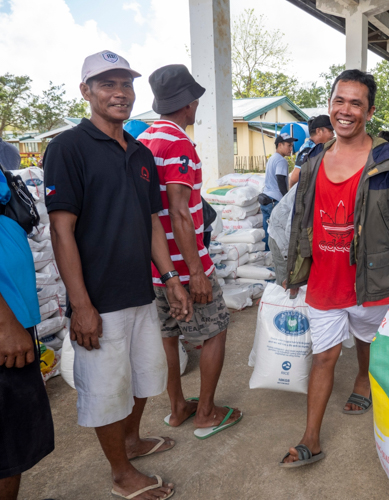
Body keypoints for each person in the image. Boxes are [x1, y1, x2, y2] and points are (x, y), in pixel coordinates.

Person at [280, 69, 389, 468]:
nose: (345, 110)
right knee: (323, 356)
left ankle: (362, 380)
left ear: (369, 111)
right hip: (324, 278)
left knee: (369, 341)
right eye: (340, 100)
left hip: (372, 278)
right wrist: (292, 268)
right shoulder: (314, 161)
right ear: (329, 105)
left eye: (356, 103)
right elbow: (299, 219)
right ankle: (310, 439)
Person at [44, 50, 193, 500]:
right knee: (107, 391)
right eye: (107, 84)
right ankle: (120, 473)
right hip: (99, 298)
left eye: (126, 84)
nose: (120, 93)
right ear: (86, 91)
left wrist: (171, 279)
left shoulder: (141, 153)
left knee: (144, 378)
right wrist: (82, 304)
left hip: (142, 292)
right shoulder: (68, 148)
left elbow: (152, 224)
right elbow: (60, 228)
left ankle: (132, 441)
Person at [139, 64, 241, 439]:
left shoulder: (144, 140)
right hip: (183, 266)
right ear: (187, 104)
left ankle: (178, 406)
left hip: (155, 269)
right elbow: (180, 213)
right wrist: (196, 273)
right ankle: (207, 413)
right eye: (195, 99)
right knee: (215, 331)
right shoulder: (178, 144)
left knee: (168, 335)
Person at [0, 140, 54, 500]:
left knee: (14, 438)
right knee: (8, 443)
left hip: (17, 317)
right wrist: (5, 324)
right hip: (7, 327)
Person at [259, 133, 295, 250]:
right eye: (289, 145)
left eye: (292, 146)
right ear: (280, 144)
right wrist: (287, 199)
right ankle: (274, 257)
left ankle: (266, 254)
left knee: (267, 230)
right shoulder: (281, 161)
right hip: (275, 201)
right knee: (277, 233)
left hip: (266, 199)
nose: (291, 149)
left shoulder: (272, 158)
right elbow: (280, 180)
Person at [290, 115, 335, 188]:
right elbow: (294, 178)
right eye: (330, 131)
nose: (333, 135)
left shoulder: (318, 147)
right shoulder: (308, 150)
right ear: (319, 131)